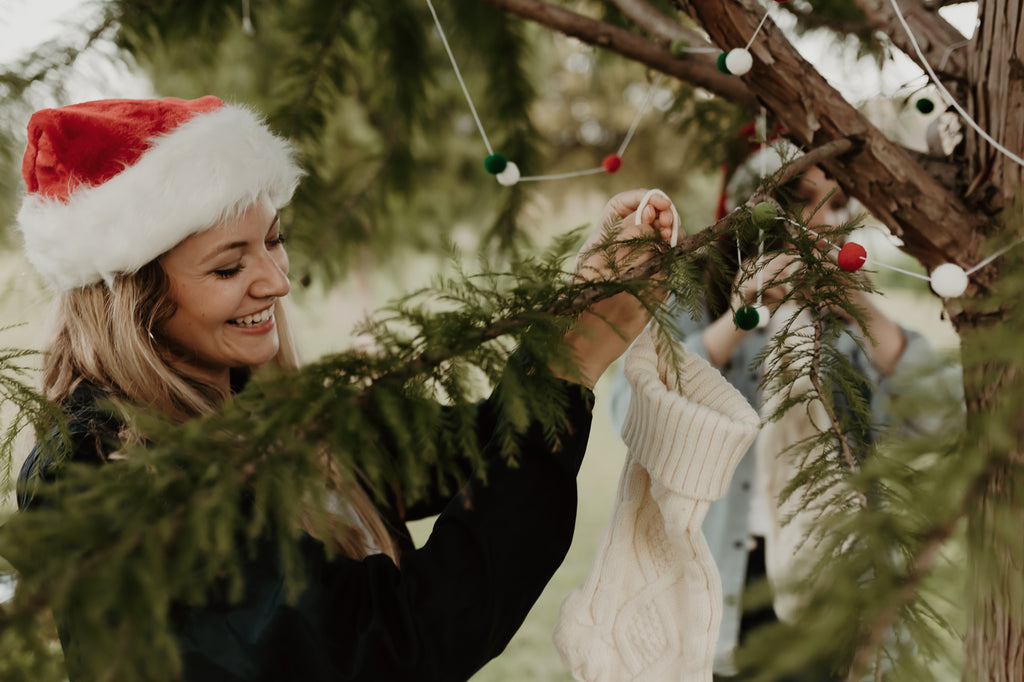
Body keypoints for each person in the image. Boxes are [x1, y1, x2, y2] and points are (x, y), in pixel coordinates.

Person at [11, 95, 700, 682]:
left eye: (274, 241)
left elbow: (476, 448)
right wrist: (566, 360)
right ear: (133, 299)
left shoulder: (264, 408)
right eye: (229, 267)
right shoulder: (109, 466)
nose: (277, 282)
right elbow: (392, 645)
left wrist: (573, 313)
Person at [608, 138, 951, 681]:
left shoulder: (851, 321)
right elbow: (630, 410)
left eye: (836, 204)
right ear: (757, 212)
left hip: (836, 587)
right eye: (801, 200)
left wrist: (857, 304)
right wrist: (744, 316)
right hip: (716, 582)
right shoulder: (695, 299)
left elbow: (943, 418)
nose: (821, 219)